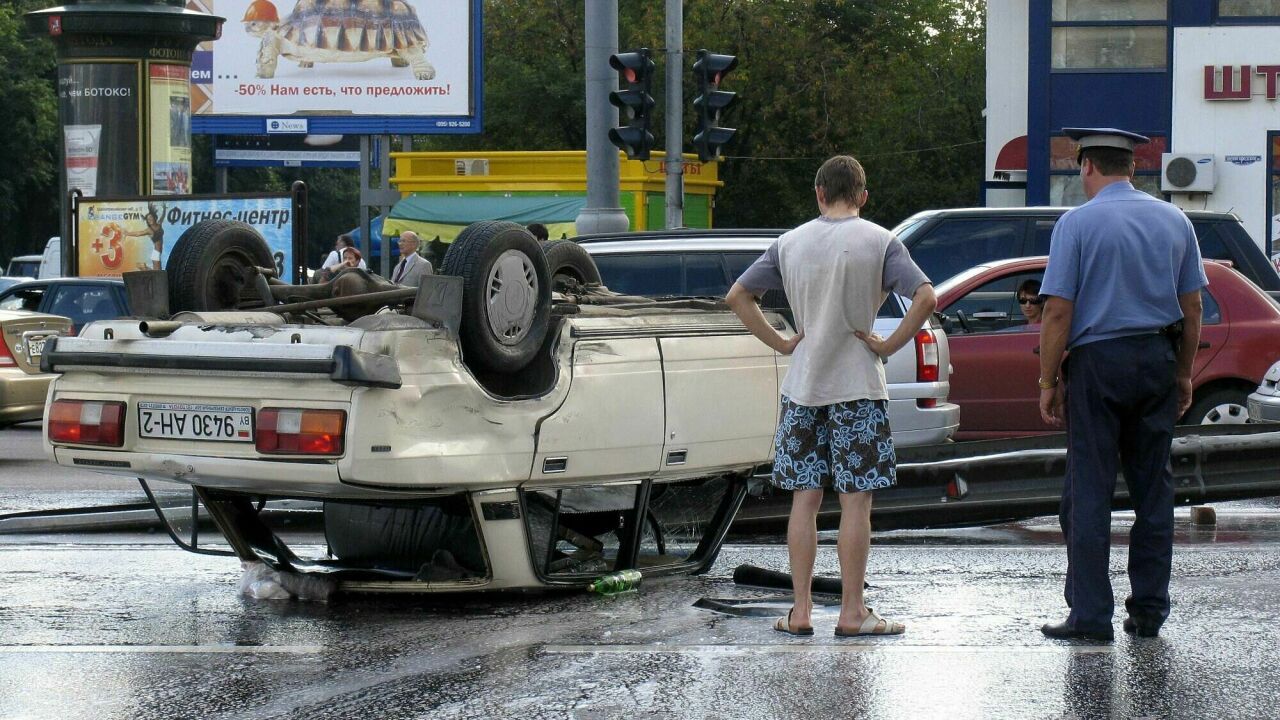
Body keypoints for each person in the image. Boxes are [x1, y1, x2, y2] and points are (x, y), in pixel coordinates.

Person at [726, 155, 936, 638]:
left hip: (803, 388)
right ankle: (851, 612)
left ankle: (799, 612)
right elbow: (926, 298)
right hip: (858, 387)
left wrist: (781, 342)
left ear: (818, 193)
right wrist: (889, 344)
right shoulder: (880, 240)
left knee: (805, 499)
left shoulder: (789, 243)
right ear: (862, 196)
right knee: (855, 501)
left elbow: (738, 296)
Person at [1037, 128, 1206, 642]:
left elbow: (1058, 310)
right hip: (1156, 357)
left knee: (1087, 490)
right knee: (1153, 489)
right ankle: (1149, 611)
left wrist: (1047, 379)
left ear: (1086, 167)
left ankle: (1090, 617)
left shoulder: (1076, 224)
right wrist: (1181, 372)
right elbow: (1193, 306)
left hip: (1098, 363)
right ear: (1132, 168)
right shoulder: (1175, 220)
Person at [126, 204, 165, 271]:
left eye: (151, 218)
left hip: (159, 252)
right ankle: (142, 266)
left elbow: (162, 217)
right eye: (148, 219)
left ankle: (143, 266)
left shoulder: (159, 225)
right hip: (156, 253)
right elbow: (138, 233)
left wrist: (164, 209)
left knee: (157, 272)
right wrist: (127, 233)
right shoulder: (149, 230)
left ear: (154, 217)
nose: (150, 220)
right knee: (157, 273)